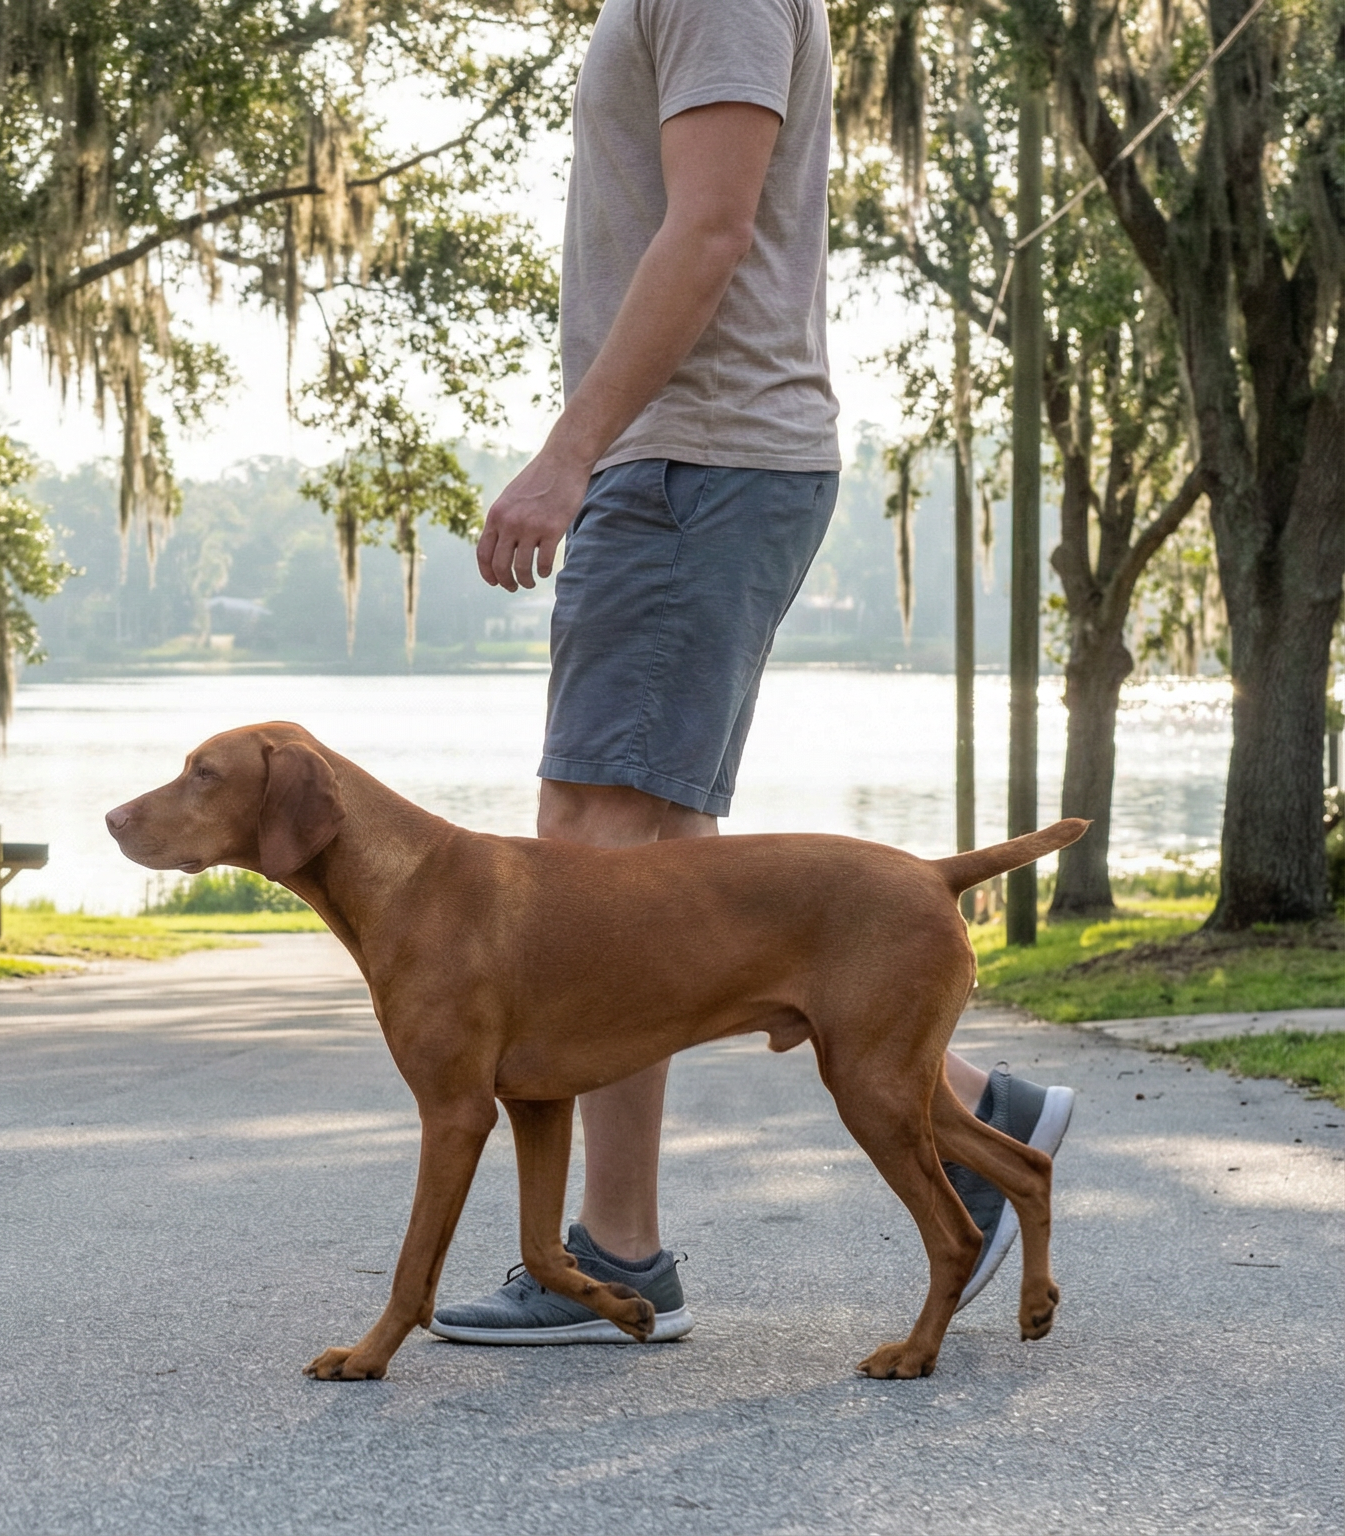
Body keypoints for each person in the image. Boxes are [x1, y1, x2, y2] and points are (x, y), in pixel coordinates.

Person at [426, 0, 1075, 1346]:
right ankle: (965, 1113)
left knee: (598, 855)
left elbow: (713, 228)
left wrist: (570, 454)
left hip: (694, 461)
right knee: (661, 861)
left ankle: (617, 1247)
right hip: (691, 461)